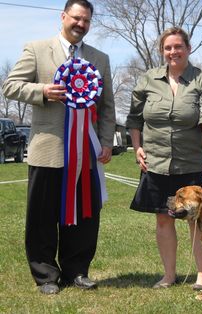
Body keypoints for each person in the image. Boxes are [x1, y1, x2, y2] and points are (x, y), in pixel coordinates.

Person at [2, 0, 116, 294]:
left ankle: (77, 271)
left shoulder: (100, 59)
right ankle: (46, 276)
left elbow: (107, 107)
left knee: (85, 216)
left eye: (86, 21)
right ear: (63, 16)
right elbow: (10, 85)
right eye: (76, 18)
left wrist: (105, 142)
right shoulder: (37, 49)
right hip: (47, 149)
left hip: (87, 153)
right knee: (41, 216)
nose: (81, 24)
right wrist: (42, 91)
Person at [126, 27, 202, 290]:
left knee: (197, 221)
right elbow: (134, 119)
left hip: (192, 164)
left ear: (188, 49)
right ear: (162, 51)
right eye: (168, 48)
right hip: (156, 163)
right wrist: (137, 147)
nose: (173, 52)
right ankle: (169, 275)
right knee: (163, 218)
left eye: (178, 46)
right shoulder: (147, 80)